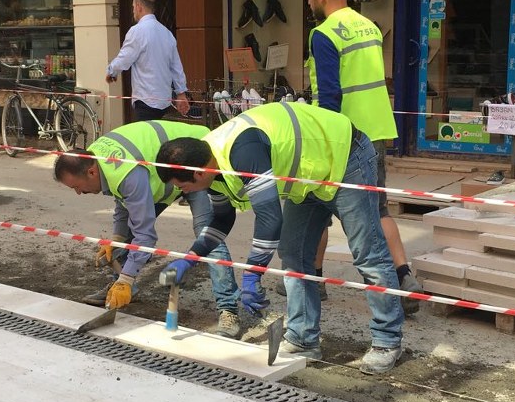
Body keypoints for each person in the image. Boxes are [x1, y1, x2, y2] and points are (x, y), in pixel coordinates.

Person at [155, 102, 405, 375]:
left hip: (345, 157)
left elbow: (270, 219)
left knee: (368, 253)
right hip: (308, 175)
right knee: (294, 254)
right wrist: (190, 259)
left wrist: (252, 274)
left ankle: (387, 341)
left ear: (198, 173)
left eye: (182, 186)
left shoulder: (242, 152)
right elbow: (222, 221)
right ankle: (302, 338)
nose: (184, 193)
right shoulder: (209, 166)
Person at [303, 0, 423, 315]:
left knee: (315, 207)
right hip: (376, 131)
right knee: (379, 209)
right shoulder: (368, 26)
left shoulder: (324, 33)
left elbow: (329, 96)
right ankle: (403, 276)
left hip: (344, 137)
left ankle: (315, 278)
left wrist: (322, 141)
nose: (308, 2)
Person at [53, 120, 242, 338]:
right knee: (129, 234)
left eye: (76, 186)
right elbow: (122, 199)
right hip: (162, 177)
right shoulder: (98, 159)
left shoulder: (126, 171)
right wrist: (118, 237)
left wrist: (126, 277)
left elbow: (145, 236)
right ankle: (122, 287)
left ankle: (228, 309)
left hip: (191, 160)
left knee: (207, 233)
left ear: (91, 172)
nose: (78, 193)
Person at [106, 0, 190, 121]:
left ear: (139, 6)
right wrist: (181, 93)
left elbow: (124, 59)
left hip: (146, 99)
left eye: (133, 7)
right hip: (164, 101)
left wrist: (112, 71)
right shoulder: (166, 33)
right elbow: (176, 66)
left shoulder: (137, 31)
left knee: (146, 133)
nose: (133, 11)